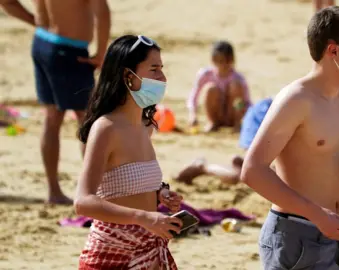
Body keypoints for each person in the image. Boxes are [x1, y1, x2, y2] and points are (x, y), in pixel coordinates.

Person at [240, 6, 339, 270]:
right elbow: (252, 171)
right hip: (295, 236)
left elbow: (336, 150)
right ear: (333, 51)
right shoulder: (296, 99)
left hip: (336, 232)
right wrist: (317, 215)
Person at [75, 35, 183, 269]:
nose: (162, 78)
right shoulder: (106, 128)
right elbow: (83, 202)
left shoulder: (145, 127)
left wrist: (160, 194)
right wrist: (143, 217)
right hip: (112, 254)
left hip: (151, 250)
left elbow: (125, 185)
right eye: (154, 69)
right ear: (128, 76)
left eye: (162, 69)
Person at [174, 80, 339, 186]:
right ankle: (203, 167)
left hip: (274, 111)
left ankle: (240, 161)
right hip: (272, 115)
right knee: (251, 177)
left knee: (270, 170)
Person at [0, 0, 111, 204]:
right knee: (87, 121)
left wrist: (36, 21)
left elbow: (6, 2)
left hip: (43, 42)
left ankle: (54, 191)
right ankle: (94, 192)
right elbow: (102, 12)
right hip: (69, 51)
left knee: (52, 119)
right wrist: (102, 52)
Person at [175, 97, 273, 185]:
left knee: (254, 172)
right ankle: (202, 167)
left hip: (268, 111)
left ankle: (241, 163)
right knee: (247, 175)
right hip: (266, 114)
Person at [187, 40, 251, 132]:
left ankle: (237, 124)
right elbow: (193, 97)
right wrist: (192, 116)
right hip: (216, 115)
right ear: (213, 60)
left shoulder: (239, 78)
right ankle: (213, 123)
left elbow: (247, 102)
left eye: (227, 61)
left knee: (236, 86)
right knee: (211, 89)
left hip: (232, 115)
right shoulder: (205, 75)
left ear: (232, 60)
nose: (224, 65)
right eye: (220, 61)